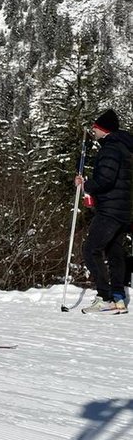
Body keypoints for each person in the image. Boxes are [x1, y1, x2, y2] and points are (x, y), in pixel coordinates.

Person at [76, 109, 133, 313]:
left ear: (104, 129)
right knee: (115, 252)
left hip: (110, 209)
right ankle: (118, 299)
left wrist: (87, 185)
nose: (94, 129)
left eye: (96, 127)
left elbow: (106, 179)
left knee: (91, 250)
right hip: (123, 209)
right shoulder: (124, 147)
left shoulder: (111, 149)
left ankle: (105, 296)